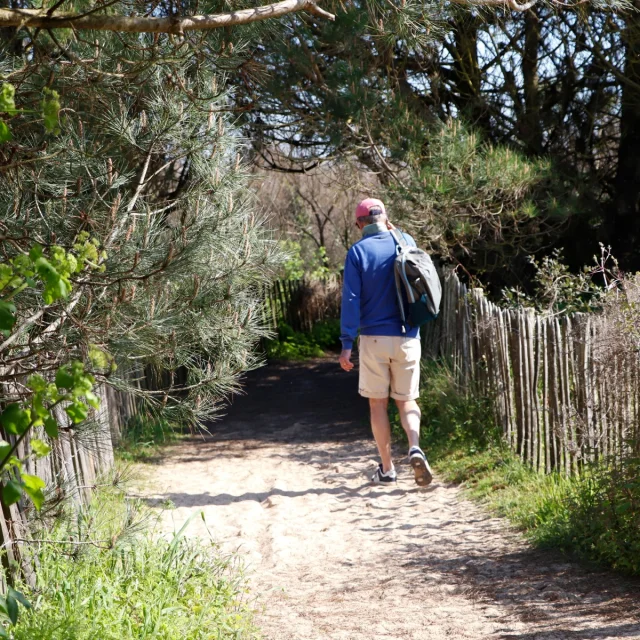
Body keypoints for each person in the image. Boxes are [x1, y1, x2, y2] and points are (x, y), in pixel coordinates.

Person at [339, 198, 432, 486]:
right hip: (408, 335)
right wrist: (396, 231)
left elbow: (351, 300)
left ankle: (388, 469)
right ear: (386, 218)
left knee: (378, 405)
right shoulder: (404, 240)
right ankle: (415, 445)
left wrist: (346, 343)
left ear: (359, 224)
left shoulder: (357, 252)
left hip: (373, 338)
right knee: (407, 401)